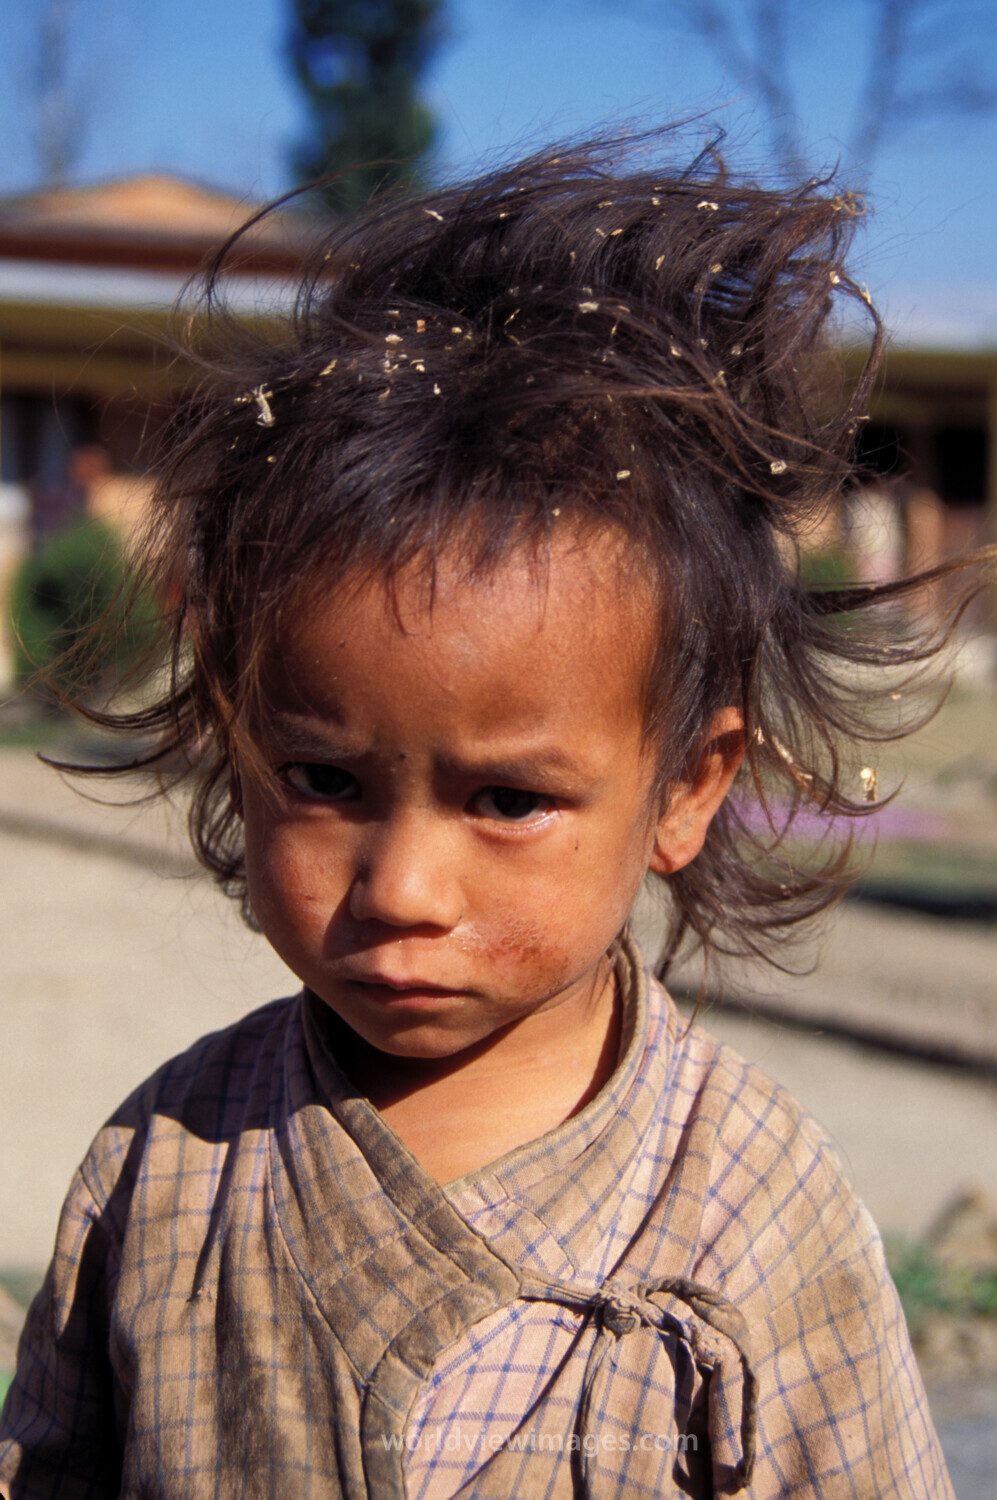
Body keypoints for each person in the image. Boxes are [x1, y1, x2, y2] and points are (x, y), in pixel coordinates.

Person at [0, 132, 964, 1497]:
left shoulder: (749, 1210)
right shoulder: (170, 1165)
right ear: (239, 734)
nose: (399, 884)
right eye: (323, 780)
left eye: (506, 800)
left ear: (687, 786)